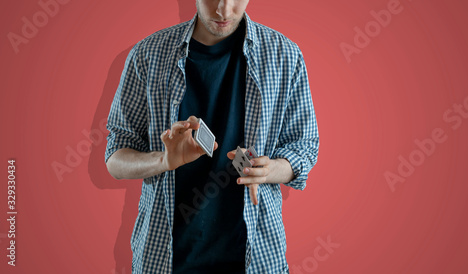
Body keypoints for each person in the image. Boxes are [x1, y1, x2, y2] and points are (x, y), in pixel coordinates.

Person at [104, 0, 319, 273]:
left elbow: (304, 146)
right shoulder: (148, 54)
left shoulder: (285, 55)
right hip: (164, 260)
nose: (224, 10)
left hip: (257, 259)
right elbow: (115, 159)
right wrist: (163, 161)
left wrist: (270, 170)